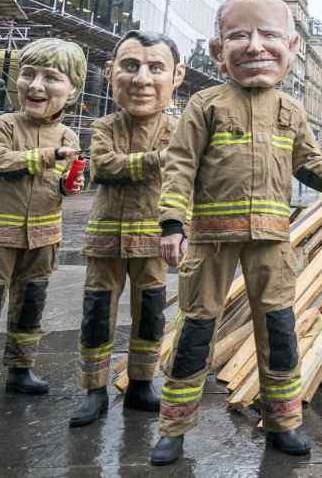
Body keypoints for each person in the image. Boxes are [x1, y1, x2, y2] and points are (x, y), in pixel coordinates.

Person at [149, 0, 322, 467]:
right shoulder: (205, 105)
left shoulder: (291, 110)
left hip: (271, 241)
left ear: (291, 46)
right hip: (209, 240)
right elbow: (180, 166)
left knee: (279, 331)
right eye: (239, 36)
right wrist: (171, 223)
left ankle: (284, 421)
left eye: (269, 35)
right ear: (216, 49)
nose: (254, 47)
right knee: (195, 331)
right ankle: (173, 427)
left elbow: (309, 166)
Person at [0, 38, 86, 411]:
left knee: (31, 306)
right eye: (28, 74)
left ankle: (21, 368)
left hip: (42, 238)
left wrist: (70, 182)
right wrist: (50, 155)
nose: (36, 85)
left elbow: (59, 183)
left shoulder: (68, 136)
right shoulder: (2, 124)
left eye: (51, 78)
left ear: (72, 90)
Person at [70, 31, 186, 428]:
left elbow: (182, 179)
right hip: (105, 239)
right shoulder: (103, 125)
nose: (142, 80)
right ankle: (93, 388)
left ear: (177, 76)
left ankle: (141, 382)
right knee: (97, 314)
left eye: (156, 68)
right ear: (110, 73)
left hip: (154, 242)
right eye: (131, 66)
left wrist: (178, 227)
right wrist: (159, 158)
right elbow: (104, 167)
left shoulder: (178, 129)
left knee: (151, 314)